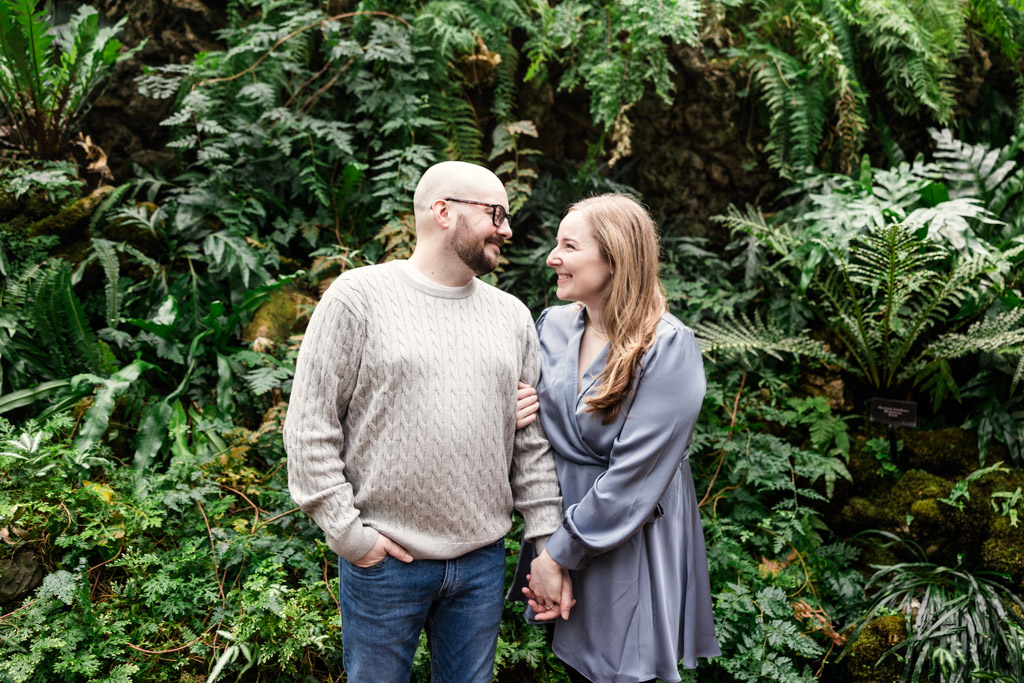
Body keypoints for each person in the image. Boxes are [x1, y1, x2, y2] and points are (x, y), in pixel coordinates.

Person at [284, 161, 569, 683]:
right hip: (385, 563)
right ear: (443, 211)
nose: (507, 229)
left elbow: (530, 447)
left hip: (481, 565)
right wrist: (350, 537)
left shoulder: (512, 317)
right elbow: (309, 429)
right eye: (496, 214)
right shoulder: (357, 299)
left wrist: (547, 540)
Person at [512, 194, 721, 683]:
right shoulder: (552, 326)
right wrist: (511, 412)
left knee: (623, 669)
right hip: (558, 526)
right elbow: (532, 431)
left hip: (629, 536)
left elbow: (633, 478)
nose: (551, 258)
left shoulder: (668, 346)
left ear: (615, 258)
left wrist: (557, 554)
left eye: (569, 245)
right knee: (576, 669)